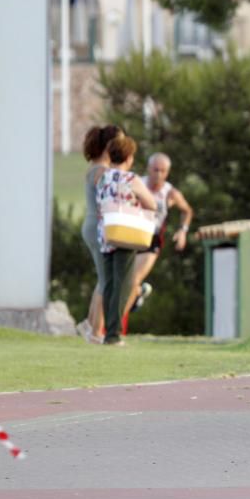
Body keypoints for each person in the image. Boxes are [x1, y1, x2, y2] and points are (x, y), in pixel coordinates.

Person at [95, 135, 157, 346]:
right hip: (126, 234)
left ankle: (107, 332)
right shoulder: (131, 179)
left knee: (110, 285)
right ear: (129, 157)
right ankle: (113, 334)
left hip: (106, 234)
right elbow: (152, 205)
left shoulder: (102, 178)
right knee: (124, 285)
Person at [123, 152, 194, 322]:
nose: (158, 174)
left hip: (151, 240)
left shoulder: (170, 193)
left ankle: (117, 325)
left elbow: (187, 211)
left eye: (163, 171)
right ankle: (139, 293)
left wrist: (183, 231)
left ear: (167, 172)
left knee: (134, 280)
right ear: (148, 168)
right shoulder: (137, 183)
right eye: (155, 170)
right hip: (131, 236)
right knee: (124, 281)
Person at [77, 124, 124, 344]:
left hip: (94, 226)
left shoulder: (97, 168)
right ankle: (95, 332)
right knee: (106, 280)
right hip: (97, 227)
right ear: (109, 145)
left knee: (102, 279)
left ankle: (90, 324)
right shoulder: (101, 171)